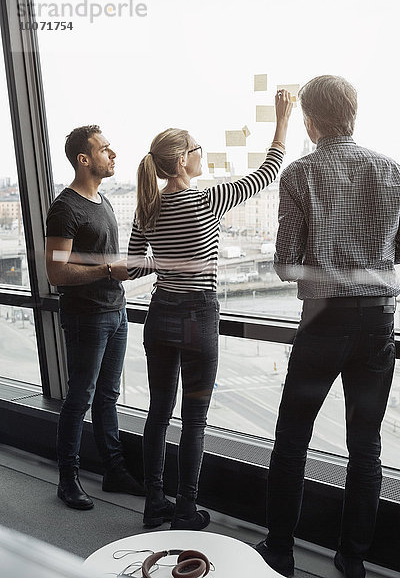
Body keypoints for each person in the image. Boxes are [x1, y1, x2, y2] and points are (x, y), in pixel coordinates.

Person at [127, 91, 292, 530]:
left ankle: (153, 504)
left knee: (158, 414)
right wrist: (282, 120)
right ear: (182, 160)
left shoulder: (147, 208)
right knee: (194, 420)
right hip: (198, 316)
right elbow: (268, 171)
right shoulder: (206, 200)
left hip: (159, 314)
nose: (203, 156)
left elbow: (130, 267)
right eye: (198, 149)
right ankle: (185, 508)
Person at [255, 76, 400, 578]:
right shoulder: (391, 170)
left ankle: (280, 551)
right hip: (379, 321)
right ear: (353, 116)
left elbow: (285, 264)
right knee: (366, 448)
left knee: (293, 440)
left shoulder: (300, 174)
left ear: (310, 123)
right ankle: (353, 558)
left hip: (323, 324)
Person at [45, 125, 145, 510]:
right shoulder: (65, 208)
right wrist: (107, 272)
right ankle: (67, 480)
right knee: (80, 398)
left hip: (115, 312)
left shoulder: (102, 201)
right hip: (87, 317)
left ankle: (114, 471)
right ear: (84, 159)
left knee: (108, 397)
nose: (113, 153)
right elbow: (57, 273)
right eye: (105, 149)